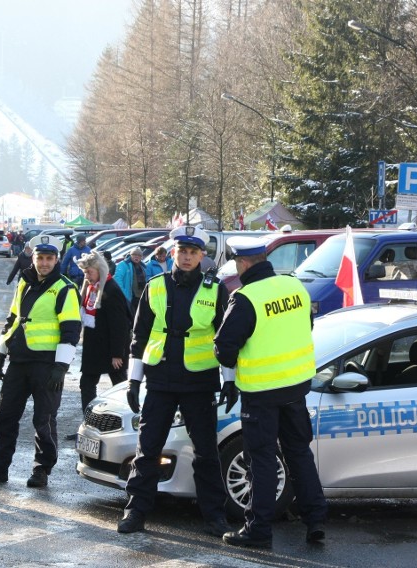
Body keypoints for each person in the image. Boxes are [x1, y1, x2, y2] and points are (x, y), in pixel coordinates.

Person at [117, 225, 233, 538]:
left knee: (207, 452)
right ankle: (136, 512)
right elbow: (139, 338)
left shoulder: (216, 289)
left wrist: (230, 381)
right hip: (160, 381)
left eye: (193, 252)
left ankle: (214, 517)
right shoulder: (154, 286)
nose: (186, 256)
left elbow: (226, 339)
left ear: (202, 256)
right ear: (173, 252)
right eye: (182, 251)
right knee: (148, 451)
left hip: (199, 383)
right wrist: (133, 381)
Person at [214, 235, 327, 548]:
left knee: (261, 461)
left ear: (243, 263)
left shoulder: (245, 297)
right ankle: (315, 518)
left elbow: (224, 350)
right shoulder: (294, 286)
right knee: (298, 452)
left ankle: (258, 530)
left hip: (262, 392)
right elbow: (307, 326)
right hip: (296, 387)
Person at [0, 234, 82, 488]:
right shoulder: (24, 281)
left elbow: (71, 330)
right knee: (5, 415)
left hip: (47, 365)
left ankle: (42, 469)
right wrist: (0, 353)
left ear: (56, 260)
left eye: (49, 258)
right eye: (40, 258)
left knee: (43, 419)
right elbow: (12, 318)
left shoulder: (65, 288)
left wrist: (61, 367)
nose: (44, 263)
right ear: (33, 258)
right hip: (19, 360)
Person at [66, 251, 132, 439]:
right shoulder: (90, 287)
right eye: (85, 272)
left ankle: (127, 427)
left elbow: (120, 325)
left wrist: (117, 354)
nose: (86, 276)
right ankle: (88, 425)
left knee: (121, 387)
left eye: (89, 272)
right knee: (86, 384)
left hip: (112, 348)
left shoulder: (111, 290)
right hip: (94, 346)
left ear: (100, 271)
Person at [113, 246, 147, 312]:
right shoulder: (123, 264)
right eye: (134, 255)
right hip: (129, 297)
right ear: (130, 255)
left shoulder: (143, 267)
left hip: (141, 297)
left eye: (139, 255)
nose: (136, 257)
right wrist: (124, 294)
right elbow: (117, 280)